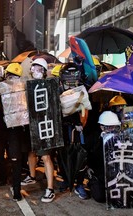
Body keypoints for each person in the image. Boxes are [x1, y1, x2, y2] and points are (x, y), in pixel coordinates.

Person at [21, 58, 55, 203]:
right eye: (34, 68)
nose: (37, 72)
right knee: (31, 151)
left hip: (44, 125)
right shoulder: (28, 85)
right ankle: (32, 176)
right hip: (32, 125)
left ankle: (50, 189)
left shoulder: (50, 85)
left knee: (46, 156)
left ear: (45, 72)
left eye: (40, 69)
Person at [0, 63, 31, 201]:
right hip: (0, 130)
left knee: (15, 159)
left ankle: (16, 188)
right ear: (6, 76)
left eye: (16, 77)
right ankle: (2, 178)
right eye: (10, 76)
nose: (13, 80)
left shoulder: (24, 91)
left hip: (16, 131)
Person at [58, 62, 89, 200]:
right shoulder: (58, 89)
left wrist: (79, 122)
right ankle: (66, 179)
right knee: (62, 155)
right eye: (68, 75)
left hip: (77, 128)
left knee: (80, 155)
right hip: (63, 128)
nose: (71, 78)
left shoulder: (81, 89)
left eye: (74, 75)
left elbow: (84, 108)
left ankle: (79, 183)